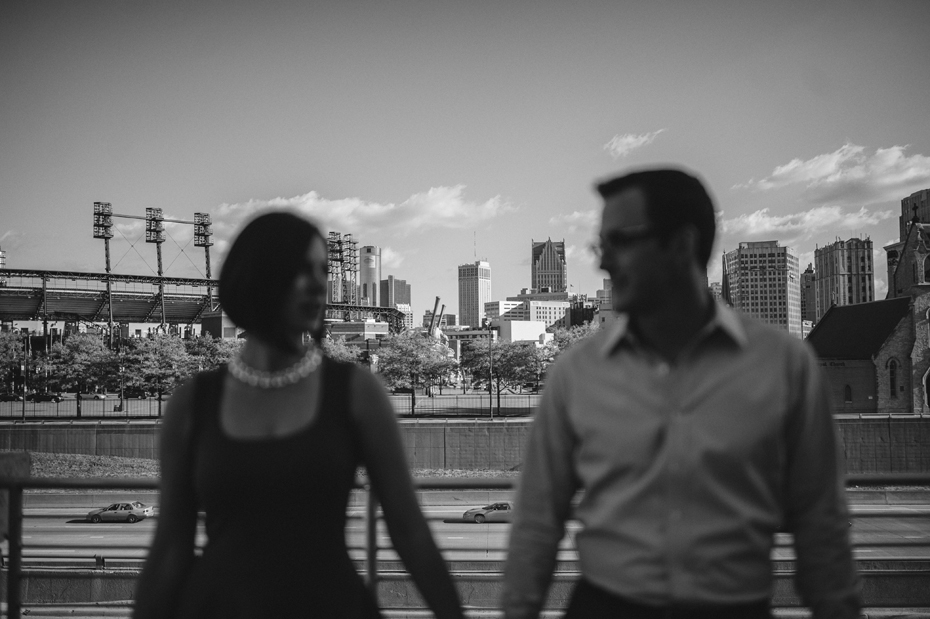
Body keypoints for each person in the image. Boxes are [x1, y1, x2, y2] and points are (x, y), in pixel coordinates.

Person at [501, 169, 860, 619]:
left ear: (681, 244)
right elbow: (536, 524)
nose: (604, 262)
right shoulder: (576, 373)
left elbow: (819, 527)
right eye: (602, 244)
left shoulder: (783, 365)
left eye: (620, 242)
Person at [134, 211, 464, 619]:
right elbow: (170, 549)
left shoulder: (356, 392)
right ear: (257, 276)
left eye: (322, 269)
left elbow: (410, 531)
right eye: (299, 269)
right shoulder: (192, 403)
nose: (317, 283)